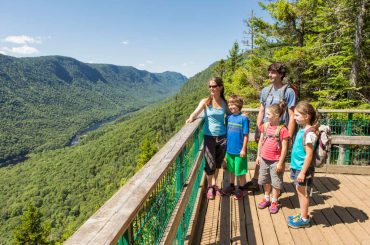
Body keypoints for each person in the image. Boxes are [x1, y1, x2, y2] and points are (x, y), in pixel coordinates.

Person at [245, 62, 297, 191]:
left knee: (278, 157)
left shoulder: (288, 92)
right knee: (262, 154)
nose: (270, 75)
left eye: (273, 72)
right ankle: (256, 180)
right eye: (269, 72)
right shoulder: (265, 91)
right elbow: (261, 110)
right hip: (266, 129)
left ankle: (276, 187)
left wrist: (289, 136)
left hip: (280, 131)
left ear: (281, 74)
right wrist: (259, 128)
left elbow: (292, 115)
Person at [186, 77, 228, 200]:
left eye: (214, 86)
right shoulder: (205, 101)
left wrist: (241, 116)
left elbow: (231, 115)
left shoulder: (224, 102)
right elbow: (195, 112)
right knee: (210, 163)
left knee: (218, 162)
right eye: (209, 86)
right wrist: (191, 118)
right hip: (209, 136)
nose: (211, 88)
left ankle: (214, 185)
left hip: (222, 137)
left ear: (220, 87)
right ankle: (210, 186)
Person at [287, 101, 318, 228]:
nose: (294, 118)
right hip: (297, 167)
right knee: (300, 191)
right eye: (294, 115)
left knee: (303, 193)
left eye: (297, 115)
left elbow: (309, 155)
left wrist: (303, 172)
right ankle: (303, 214)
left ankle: (305, 219)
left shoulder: (309, 133)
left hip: (302, 170)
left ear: (307, 116)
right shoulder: (302, 129)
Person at [256, 104, 289, 213]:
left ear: (276, 115)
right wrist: (258, 155)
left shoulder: (283, 130)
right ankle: (266, 198)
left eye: (268, 114)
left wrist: (280, 163)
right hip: (264, 159)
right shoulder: (265, 126)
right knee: (265, 179)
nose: (266, 116)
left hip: (276, 160)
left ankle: (274, 200)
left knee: (276, 181)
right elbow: (261, 141)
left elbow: (284, 148)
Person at [221, 95, 250, 200]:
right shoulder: (228, 118)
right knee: (231, 169)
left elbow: (246, 135)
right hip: (229, 150)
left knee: (240, 171)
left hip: (239, 151)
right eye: (229, 104)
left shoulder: (243, 119)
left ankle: (242, 188)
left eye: (233, 104)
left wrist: (243, 149)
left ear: (239, 105)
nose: (231, 106)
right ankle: (232, 186)